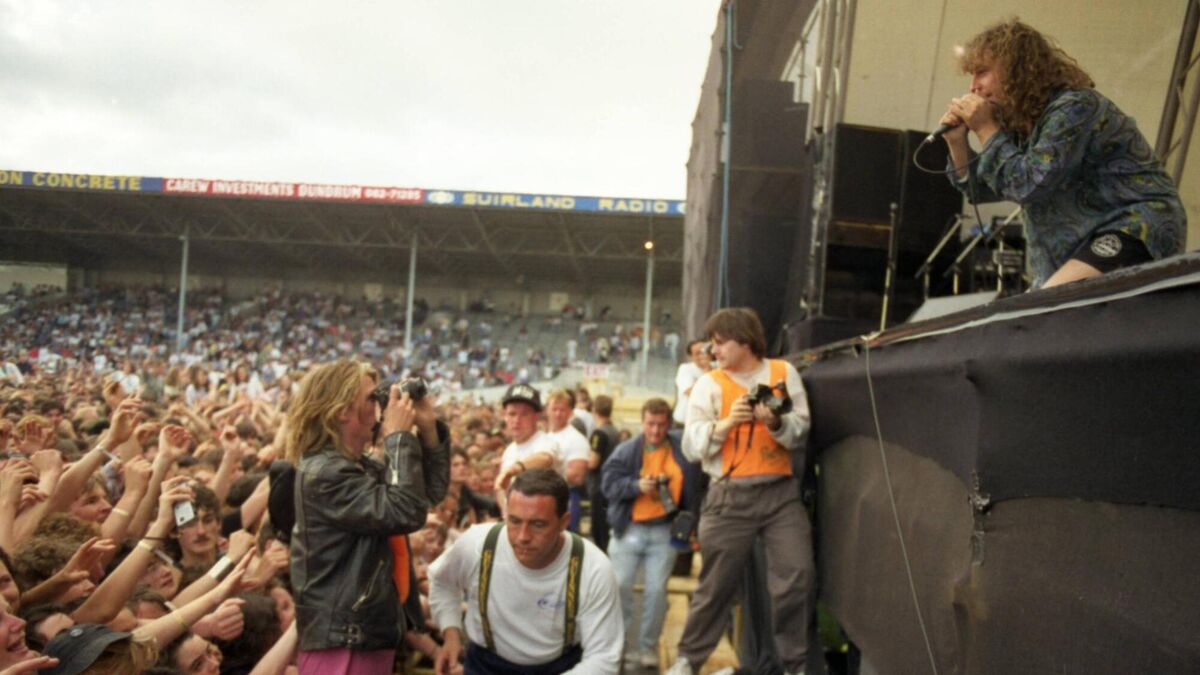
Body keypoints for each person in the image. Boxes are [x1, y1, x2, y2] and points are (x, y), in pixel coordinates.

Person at [941, 18, 1186, 289]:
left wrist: (986, 128)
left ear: (1015, 70)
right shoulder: (1018, 124)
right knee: (1040, 316)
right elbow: (983, 190)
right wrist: (957, 143)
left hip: (1134, 225)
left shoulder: (1073, 108)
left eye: (982, 72)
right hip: (1076, 246)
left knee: (1046, 313)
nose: (973, 86)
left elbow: (1029, 184)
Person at [667, 308, 812, 675]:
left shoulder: (783, 372)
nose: (713, 352)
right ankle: (688, 660)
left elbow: (801, 429)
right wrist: (726, 424)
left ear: (743, 339)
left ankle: (794, 664)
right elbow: (690, 447)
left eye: (719, 343)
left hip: (779, 493)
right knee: (715, 586)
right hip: (729, 494)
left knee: (796, 576)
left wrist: (775, 422)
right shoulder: (709, 383)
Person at [287, 359, 449, 675]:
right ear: (341, 412)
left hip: (362, 634)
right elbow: (406, 511)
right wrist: (397, 436)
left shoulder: (356, 465)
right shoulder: (324, 472)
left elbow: (426, 495)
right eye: (372, 398)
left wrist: (428, 428)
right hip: (343, 642)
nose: (380, 405)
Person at [429, 469, 623, 674]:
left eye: (538, 525)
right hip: (485, 665)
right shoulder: (478, 544)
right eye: (514, 521)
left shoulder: (592, 568)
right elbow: (442, 582)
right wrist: (450, 634)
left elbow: (604, 656)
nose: (523, 536)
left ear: (564, 522)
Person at [602, 398, 704, 669]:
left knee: (657, 591)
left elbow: (697, 485)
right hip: (630, 528)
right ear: (642, 422)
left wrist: (693, 523)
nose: (656, 431)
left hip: (664, 530)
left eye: (661, 425)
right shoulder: (626, 451)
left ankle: (648, 647)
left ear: (669, 424)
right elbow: (608, 484)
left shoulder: (682, 449)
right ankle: (619, 647)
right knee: (620, 587)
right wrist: (635, 486)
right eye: (650, 424)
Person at [492, 384, 561, 513]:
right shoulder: (509, 451)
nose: (517, 420)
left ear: (536, 416)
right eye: (512, 414)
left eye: (524, 414)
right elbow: (502, 489)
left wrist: (513, 469)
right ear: (505, 416)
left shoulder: (546, 442)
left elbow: (544, 458)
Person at [544, 390, 592, 533]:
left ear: (570, 412)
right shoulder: (547, 436)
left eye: (562, 410)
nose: (558, 414)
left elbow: (577, 477)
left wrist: (548, 469)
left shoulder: (576, 439)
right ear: (548, 410)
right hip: (545, 496)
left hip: (567, 497)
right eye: (554, 409)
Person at [586, 395, 620, 552]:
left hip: (599, 487)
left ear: (594, 410)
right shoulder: (615, 431)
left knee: (598, 529)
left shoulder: (598, 434)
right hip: (613, 485)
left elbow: (593, 462)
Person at [672, 341, 710, 427]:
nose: (702, 355)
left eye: (704, 352)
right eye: (697, 353)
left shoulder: (717, 368)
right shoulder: (685, 369)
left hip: (705, 422)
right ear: (691, 357)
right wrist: (706, 370)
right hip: (684, 421)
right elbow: (690, 392)